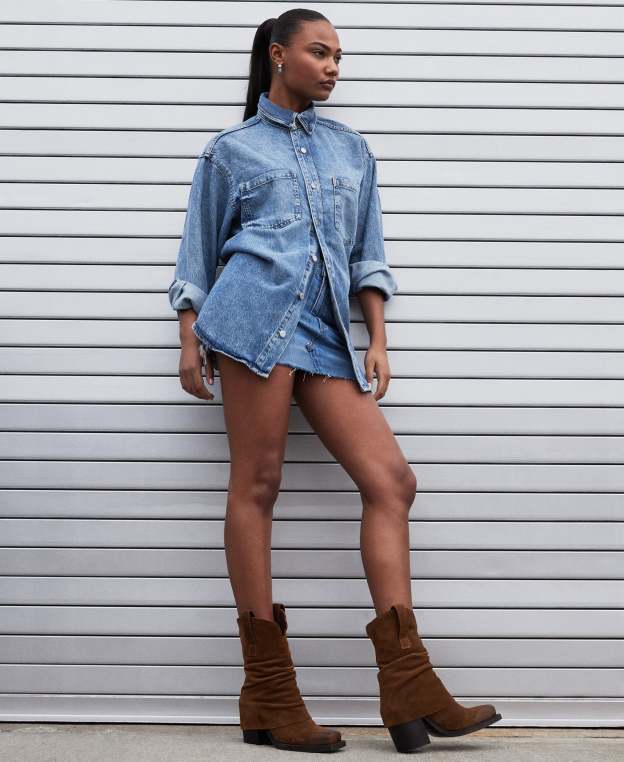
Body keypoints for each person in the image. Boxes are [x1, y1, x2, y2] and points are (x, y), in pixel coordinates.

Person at [169, 8, 501, 754]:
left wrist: (376, 338)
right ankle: (269, 695)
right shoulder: (231, 150)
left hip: (324, 335)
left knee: (392, 482)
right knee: (257, 485)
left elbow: (366, 253)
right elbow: (198, 252)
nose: (332, 67)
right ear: (277, 55)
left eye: (339, 57)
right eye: (320, 53)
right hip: (250, 322)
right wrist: (190, 337)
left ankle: (409, 685)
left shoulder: (351, 149)